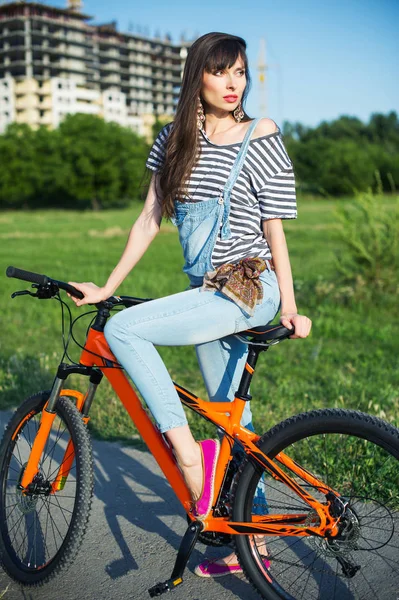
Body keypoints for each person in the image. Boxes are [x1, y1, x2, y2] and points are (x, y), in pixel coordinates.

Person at [69, 32, 312, 578]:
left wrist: (290, 306)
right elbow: (149, 218)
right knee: (234, 421)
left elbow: (275, 230)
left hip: (249, 289)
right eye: (221, 72)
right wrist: (107, 285)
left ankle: (184, 456)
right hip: (207, 293)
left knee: (128, 330)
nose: (234, 84)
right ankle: (249, 541)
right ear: (196, 77)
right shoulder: (174, 140)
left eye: (241, 73)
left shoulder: (261, 134)